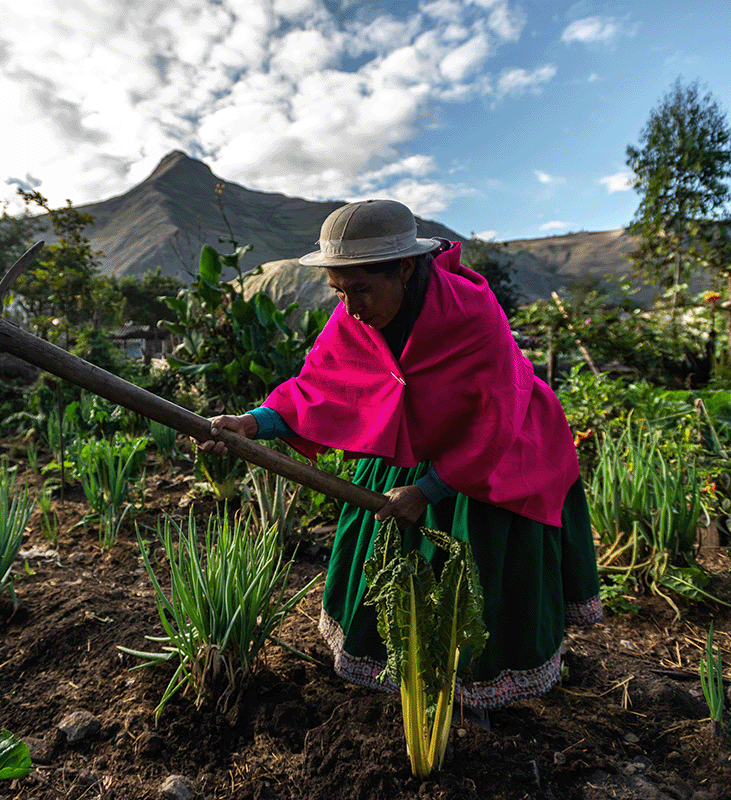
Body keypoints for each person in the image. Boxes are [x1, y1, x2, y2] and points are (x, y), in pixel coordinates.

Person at [199, 199, 601, 719]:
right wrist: (251, 424)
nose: (351, 306)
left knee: (475, 572)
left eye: (362, 289)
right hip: (410, 440)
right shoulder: (353, 316)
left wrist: (429, 490)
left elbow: (494, 416)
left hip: (499, 445)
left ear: (407, 268)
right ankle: (398, 678)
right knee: (387, 565)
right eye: (340, 291)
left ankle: (477, 691)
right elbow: (318, 386)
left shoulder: (471, 314)